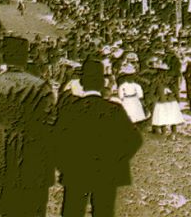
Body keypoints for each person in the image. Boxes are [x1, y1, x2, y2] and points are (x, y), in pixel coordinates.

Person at [0, 36, 56, 216]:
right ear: (25, 58)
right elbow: (51, 124)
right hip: (33, 159)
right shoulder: (40, 87)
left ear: (3, 57)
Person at [56, 59, 142, 216]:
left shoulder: (70, 109)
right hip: (107, 172)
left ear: (82, 83)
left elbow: (56, 141)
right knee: (104, 211)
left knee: (72, 211)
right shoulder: (114, 110)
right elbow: (135, 140)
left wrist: (65, 165)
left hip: (76, 170)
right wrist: (117, 160)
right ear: (103, 84)